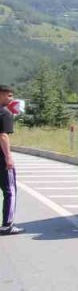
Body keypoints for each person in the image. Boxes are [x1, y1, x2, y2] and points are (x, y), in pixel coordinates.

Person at [1, 84, 20, 236]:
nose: (11, 99)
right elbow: (3, 136)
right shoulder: (4, 113)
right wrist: (8, 157)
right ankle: (7, 225)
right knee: (10, 190)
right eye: (9, 95)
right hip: (1, 159)